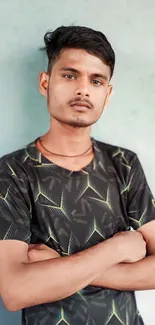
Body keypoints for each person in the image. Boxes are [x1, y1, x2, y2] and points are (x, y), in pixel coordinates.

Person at [0, 25, 155, 325]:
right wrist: (118, 248)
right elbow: (14, 290)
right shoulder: (12, 172)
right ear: (45, 83)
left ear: (107, 94)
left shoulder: (123, 164)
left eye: (96, 80)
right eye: (70, 75)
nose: (83, 89)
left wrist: (59, 267)